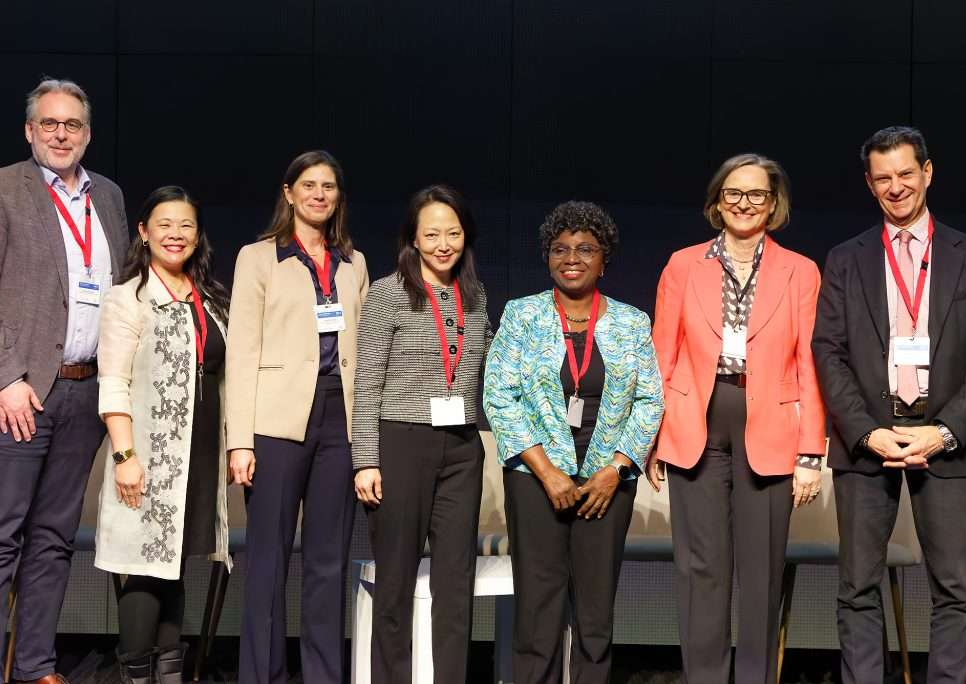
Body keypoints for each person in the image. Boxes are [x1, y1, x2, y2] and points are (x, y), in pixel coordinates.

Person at [0, 78, 129, 684]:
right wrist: (6, 381)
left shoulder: (107, 196)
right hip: (13, 397)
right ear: (30, 131)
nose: (61, 134)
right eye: (49, 124)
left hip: (82, 392)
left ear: (88, 134)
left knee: (53, 541)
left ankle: (34, 667)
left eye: (72, 125)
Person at [650, 153, 826, 683]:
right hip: (695, 421)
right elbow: (662, 353)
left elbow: (810, 365)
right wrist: (651, 436)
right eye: (733, 193)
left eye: (757, 195)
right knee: (700, 570)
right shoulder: (683, 265)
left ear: (774, 205)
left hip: (772, 424)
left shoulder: (801, 270)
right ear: (716, 202)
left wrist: (811, 452)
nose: (744, 204)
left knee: (762, 573)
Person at [812, 126, 966, 683]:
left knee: (955, 587)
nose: (896, 187)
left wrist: (946, 430)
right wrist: (864, 431)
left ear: (928, 173)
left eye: (906, 174)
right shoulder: (845, 258)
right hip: (869, 442)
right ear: (869, 184)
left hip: (948, 440)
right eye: (883, 178)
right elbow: (828, 350)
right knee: (857, 586)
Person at [484, 201, 663, 683]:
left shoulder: (632, 323)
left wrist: (616, 468)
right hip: (536, 478)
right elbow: (499, 396)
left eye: (586, 248)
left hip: (607, 481)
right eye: (560, 248)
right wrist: (547, 473)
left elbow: (650, 401)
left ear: (605, 259)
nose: (572, 257)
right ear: (547, 257)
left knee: (595, 614)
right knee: (537, 612)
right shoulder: (521, 315)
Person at [226, 150, 369, 684]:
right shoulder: (258, 257)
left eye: (328, 186)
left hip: (340, 419)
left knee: (329, 563)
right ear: (288, 193)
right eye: (308, 185)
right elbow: (241, 351)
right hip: (276, 421)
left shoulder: (354, 262)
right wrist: (239, 441)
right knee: (268, 561)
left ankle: (323, 676)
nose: (319, 194)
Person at [352, 185, 491, 683]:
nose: (442, 243)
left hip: (461, 448)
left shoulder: (474, 297)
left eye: (452, 232)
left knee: (456, 583)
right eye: (431, 233)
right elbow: (366, 379)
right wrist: (365, 459)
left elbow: (486, 367)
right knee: (395, 582)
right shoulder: (389, 293)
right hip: (400, 443)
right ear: (413, 238)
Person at [94, 186, 231, 684]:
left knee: (173, 563)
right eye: (165, 224)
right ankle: (134, 673)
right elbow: (113, 382)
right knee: (144, 566)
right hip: (147, 455)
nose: (176, 234)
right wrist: (125, 455)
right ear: (144, 232)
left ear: (197, 237)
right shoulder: (127, 298)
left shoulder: (210, 300)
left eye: (186, 226)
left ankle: (169, 672)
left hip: (197, 457)